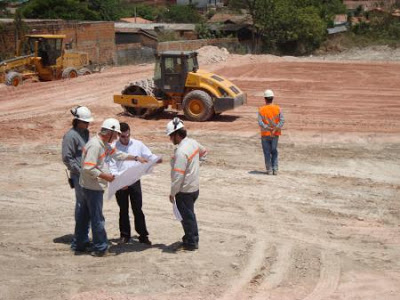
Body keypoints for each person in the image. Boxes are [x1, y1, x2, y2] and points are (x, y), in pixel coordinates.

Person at [77, 118, 147, 257]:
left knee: (84, 217)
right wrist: (106, 176)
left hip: (89, 185)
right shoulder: (96, 146)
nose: (116, 138)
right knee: (97, 219)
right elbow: (88, 168)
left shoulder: (104, 144)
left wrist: (135, 158)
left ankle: (80, 244)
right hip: (92, 187)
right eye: (115, 134)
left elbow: (117, 154)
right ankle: (101, 248)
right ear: (108, 132)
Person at [109, 122, 162, 246]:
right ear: (118, 135)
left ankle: (143, 235)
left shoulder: (138, 144)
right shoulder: (113, 147)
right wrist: (119, 181)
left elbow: (149, 155)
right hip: (120, 182)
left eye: (127, 136)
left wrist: (157, 159)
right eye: (122, 136)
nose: (126, 139)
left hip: (134, 181)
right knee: (123, 209)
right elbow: (111, 166)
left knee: (138, 209)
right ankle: (124, 235)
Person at [167, 117, 207, 251]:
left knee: (188, 217)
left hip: (184, 191)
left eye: (171, 136)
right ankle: (189, 238)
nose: (170, 139)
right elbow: (204, 152)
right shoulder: (192, 143)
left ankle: (191, 243)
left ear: (177, 134)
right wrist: (195, 166)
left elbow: (178, 177)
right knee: (188, 215)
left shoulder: (181, 152)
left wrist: (172, 193)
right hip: (194, 188)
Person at [61, 105, 93, 251]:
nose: (88, 124)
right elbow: (67, 158)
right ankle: (80, 239)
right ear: (77, 120)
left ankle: (84, 237)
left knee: (88, 206)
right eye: (85, 122)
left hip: (88, 174)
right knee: (82, 205)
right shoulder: (70, 136)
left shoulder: (86, 133)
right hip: (79, 176)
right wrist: (80, 171)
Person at [258, 89, 285, 175]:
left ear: (265, 99)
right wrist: (275, 129)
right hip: (275, 134)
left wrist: (268, 128)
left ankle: (269, 170)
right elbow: (282, 120)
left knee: (266, 152)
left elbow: (260, 123)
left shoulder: (261, 109)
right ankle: (275, 169)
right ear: (272, 98)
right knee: (274, 151)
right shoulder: (278, 108)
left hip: (265, 134)